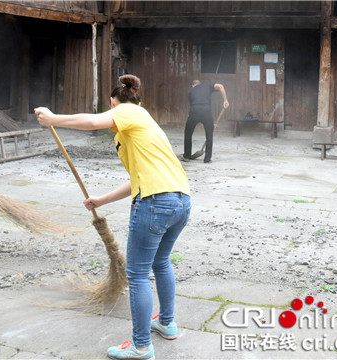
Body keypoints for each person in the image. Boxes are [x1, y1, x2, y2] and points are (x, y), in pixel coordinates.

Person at [35, 74, 191, 360]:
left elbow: (94, 122)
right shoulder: (143, 128)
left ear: (113, 103)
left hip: (155, 203)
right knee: (161, 262)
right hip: (180, 201)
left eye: (111, 109)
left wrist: (54, 118)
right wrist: (102, 200)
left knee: (138, 274)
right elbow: (138, 178)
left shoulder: (130, 111)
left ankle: (141, 346)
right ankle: (167, 323)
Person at [182, 80, 229, 163]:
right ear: (200, 84)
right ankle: (207, 159)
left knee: (188, 133)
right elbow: (220, 86)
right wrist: (225, 100)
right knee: (209, 135)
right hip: (206, 112)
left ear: (193, 86)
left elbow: (193, 104)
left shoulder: (190, 92)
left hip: (194, 111)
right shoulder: (207, 86)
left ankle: (187, 156)